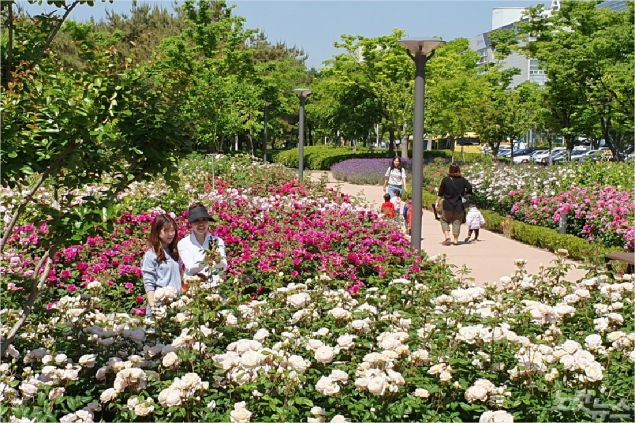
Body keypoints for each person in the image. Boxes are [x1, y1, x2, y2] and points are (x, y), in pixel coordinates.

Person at [141, 214, 181, 316]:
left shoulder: (175, 252)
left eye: (173, 230)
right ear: (157, 231)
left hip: (176, 305)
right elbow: (149, 283)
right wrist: (153, 308)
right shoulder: (151, 254)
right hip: (160, 306)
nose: (170, 234)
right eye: (166, 231)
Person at [178, 202, 227, 283]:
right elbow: (190, 270)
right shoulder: (183, 244)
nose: (201, 224)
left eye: (204, 220)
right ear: (191, 223)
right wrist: (205, 261)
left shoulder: (217, 241)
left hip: (215, 286)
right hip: (195, 287)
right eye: (196, 221)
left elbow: (223, 268)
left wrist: (218, 260)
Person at [435, 164, 472, 246]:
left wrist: (437, 201)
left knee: (444, 220)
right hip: (459, 205)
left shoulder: (445, 180)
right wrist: (465, 194)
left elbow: (440, 192)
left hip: (447, 205)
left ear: (450, 170)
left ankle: (447, 236)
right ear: (458, 170)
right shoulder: (462, 180)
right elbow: (469, 187)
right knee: (457, 221)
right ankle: (455, 240)